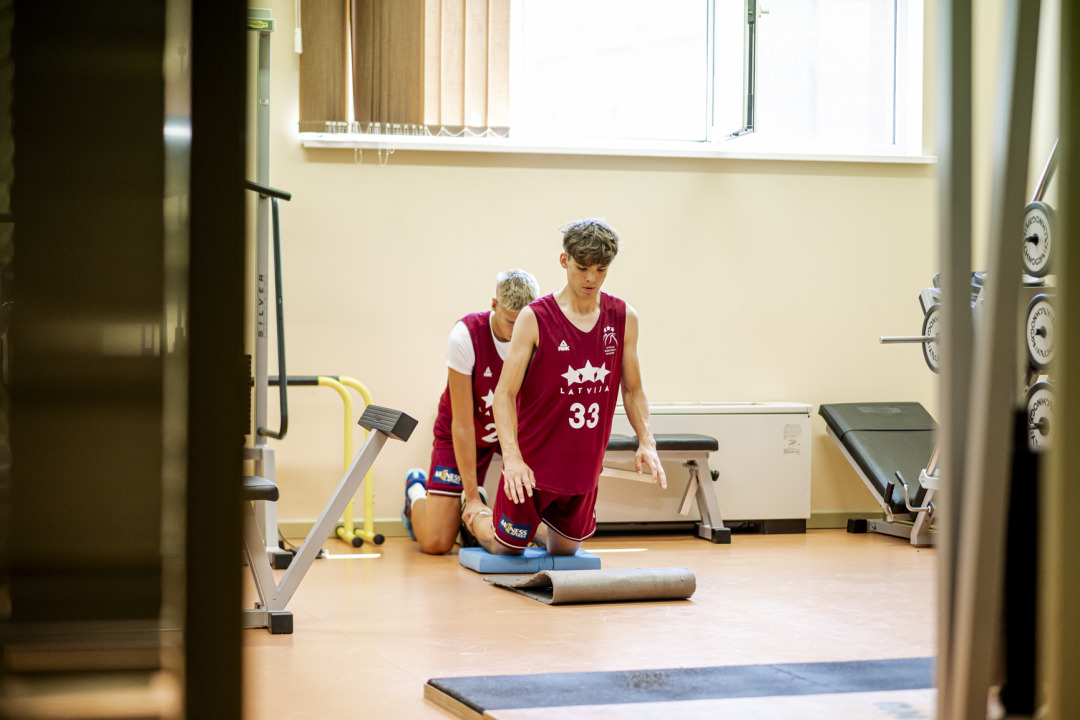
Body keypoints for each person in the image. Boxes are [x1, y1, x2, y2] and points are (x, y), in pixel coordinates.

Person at [464, 219, 665, 556]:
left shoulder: (624, 317)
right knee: (505, 548)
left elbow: (632, 390)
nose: (591, 278)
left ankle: (536, 528)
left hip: (583, 469)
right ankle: (474, 513)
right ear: (564, 260)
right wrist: (512, 459)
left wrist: (647, 440)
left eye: (600, 270)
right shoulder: (535, 317)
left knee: (566, 552)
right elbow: (504, 395)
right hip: (531, 469)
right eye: (582, 267)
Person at [403, 269, 541, 554]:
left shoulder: (537, 334)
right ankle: (416, 490)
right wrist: (472, 498)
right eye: (510, 321)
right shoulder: (465, 336)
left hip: (506, 433)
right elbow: (463, 424)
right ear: (494, 305)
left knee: (520, 529)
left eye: (523, 322)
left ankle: (472, 502)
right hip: (462, 431)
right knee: (436, 543)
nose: (516, 330)